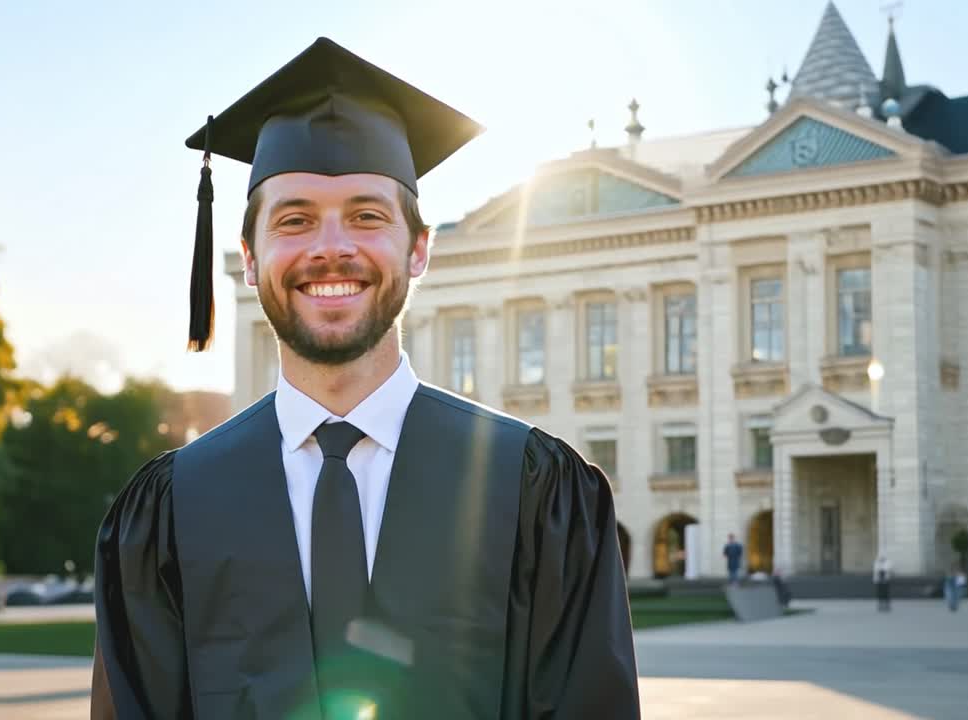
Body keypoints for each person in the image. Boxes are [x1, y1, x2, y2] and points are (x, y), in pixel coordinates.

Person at [92, 38, 640, 720]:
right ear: (249, 256)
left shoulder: (534, 490)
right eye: (294, 220)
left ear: (418, 250)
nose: (330, 247)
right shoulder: (172, 511)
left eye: (366, 215)